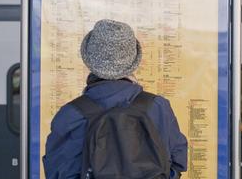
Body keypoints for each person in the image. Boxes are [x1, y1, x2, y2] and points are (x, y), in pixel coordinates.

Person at [43, 19, 188, 178]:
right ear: (133, 62)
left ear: (88, 60)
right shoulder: (158, 107)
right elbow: (178, 161)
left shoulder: (71, 114)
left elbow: (57, 171)